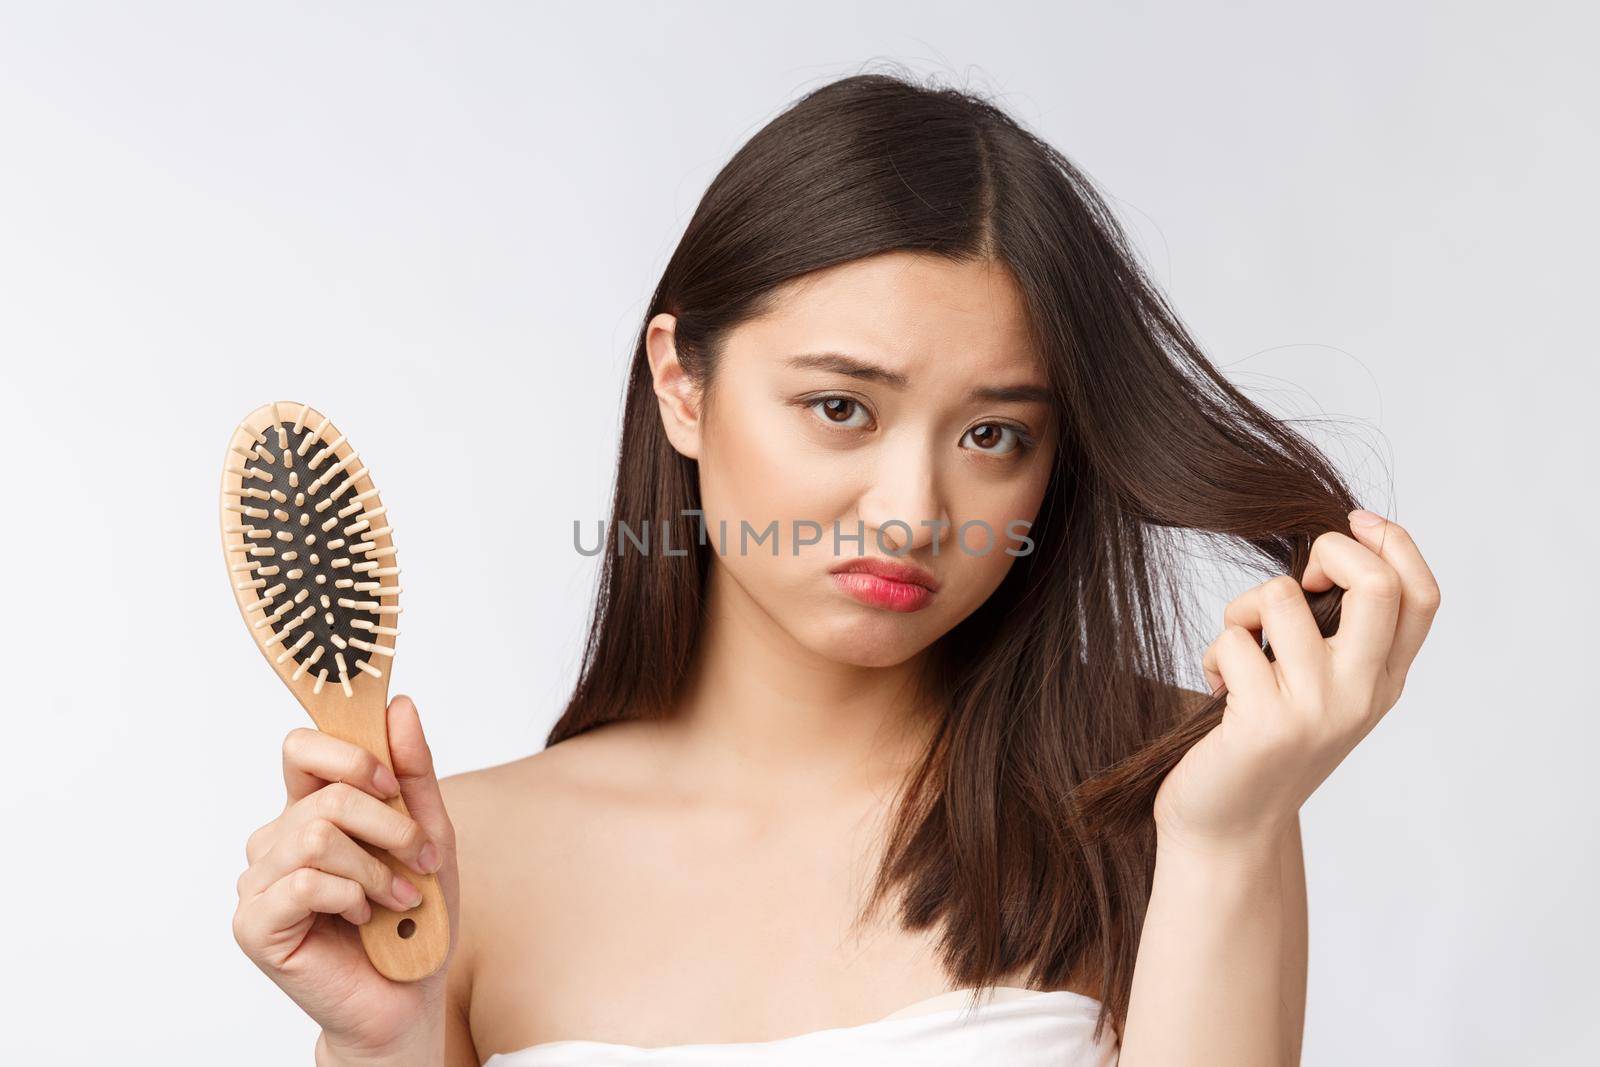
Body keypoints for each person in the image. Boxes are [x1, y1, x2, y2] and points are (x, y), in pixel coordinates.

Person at [231, 69, 1442, 1066]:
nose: (913, 511)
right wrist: (380, 1042)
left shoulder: (1163, 803)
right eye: (840, 408)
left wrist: (1227, 834)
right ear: (681, 383)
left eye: (992, 435)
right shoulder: (456, 870)